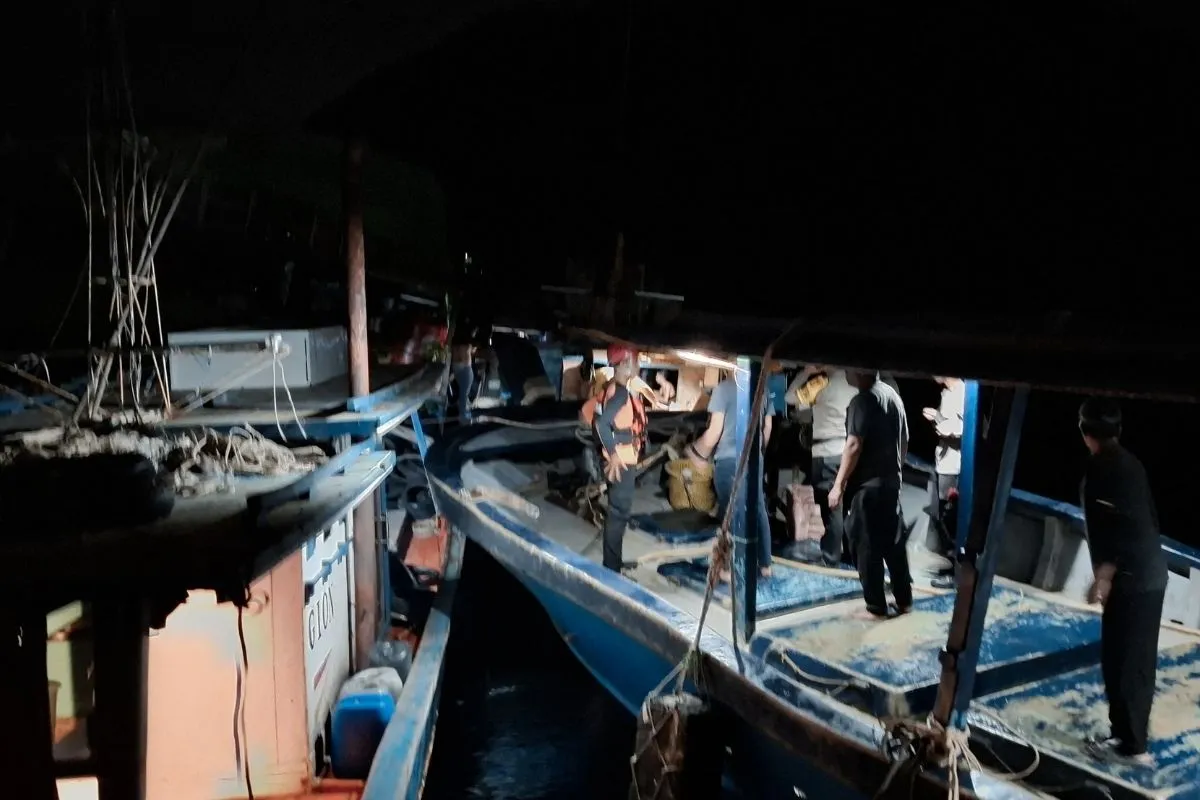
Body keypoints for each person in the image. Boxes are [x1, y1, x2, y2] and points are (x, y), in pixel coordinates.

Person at [1078, 398, 1166, 766]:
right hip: (1151, 573)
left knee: (1123, 662)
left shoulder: (1101, 469)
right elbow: (1148, 518)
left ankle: (1131, 746)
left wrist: (1103, 578)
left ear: (1085, 432)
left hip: (1132, 579)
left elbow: (1117, 527)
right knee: (1135, 661)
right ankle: (1129, 736)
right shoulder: (1132, 463)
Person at [829, 370, 910, 618]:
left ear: (857, 371)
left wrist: (838, 485)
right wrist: (895, 470)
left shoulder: (862, 400)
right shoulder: (892, 396)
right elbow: (905, 439)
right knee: (893, 544)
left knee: (866, 546)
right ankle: (904, 600)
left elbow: (854, 445)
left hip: (867, 487)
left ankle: (875, 607)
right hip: (890, 484)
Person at [689, 369, 775, 578]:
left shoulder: (723, 389)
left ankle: (729, 570)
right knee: (758, 508)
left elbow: (713, 433)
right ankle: (765, 566)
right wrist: (758, 451)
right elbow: (767, 427)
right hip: (755, 459)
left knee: (730, 513)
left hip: (729, 461)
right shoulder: (761, 389)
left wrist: (695, 452)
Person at [788, 365, 858, 565]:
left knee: (831, 509)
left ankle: (830, 558)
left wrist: (806, 372)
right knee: (848, 506)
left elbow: (790, 398)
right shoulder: (854, 384)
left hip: (826, 452)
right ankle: (851, 555)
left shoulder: (821, 385)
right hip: (848, 451)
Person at [591, 343, 648, 572]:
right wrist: (614, 455)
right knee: (618, 514)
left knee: (618, 513)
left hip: (623, 459)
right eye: (636, 360)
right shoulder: (621, 393)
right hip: (622, 462)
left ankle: (614, 562)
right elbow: (602, 424)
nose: (639, 364)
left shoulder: (613, 389)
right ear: (625, 363)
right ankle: (611, 567)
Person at [923, 377, 966, 589]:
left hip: (954, 466)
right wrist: (936, 418)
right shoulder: (946, 393)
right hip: (943, 463)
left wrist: (942, 424)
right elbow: (945, 423)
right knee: (940, 516)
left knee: (951, 519)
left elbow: (968, 429)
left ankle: (957, 573)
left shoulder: (963, 392)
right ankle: (950, 565)